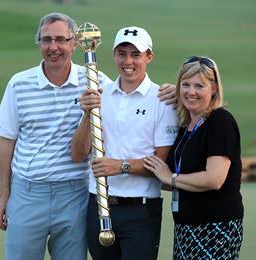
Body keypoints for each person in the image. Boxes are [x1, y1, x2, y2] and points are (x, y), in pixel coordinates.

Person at [0, 13, 176, 260]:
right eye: (46, 40)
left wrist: (174, 92)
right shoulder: (19, 84)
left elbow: (130, 89)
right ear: (39, 43)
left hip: (75, 194)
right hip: (29, 192)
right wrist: (5, 197)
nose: (53, 47)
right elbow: (7, 142)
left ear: (74, 43)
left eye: (60, 39)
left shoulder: (94, 80)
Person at [71, 26, 179, 260]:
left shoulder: (161, 100)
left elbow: (162, 163)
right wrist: (88, 114)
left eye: (135, 54)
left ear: (149, 56)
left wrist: (120, 166)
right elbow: (78, 154)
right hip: (98, 206)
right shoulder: (99, 94)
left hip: (141, 210)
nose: (127, 61)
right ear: (114, 55)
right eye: (122, 53)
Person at [144, 56, 244, 259]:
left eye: (200, 86)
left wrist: (170, 177)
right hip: (185, 228)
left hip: (215, 227)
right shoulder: (185, 127)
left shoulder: (220, 121)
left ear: (214, 88)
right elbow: (174, 177)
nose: (191, 92)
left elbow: (214, 179)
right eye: (185, 84)